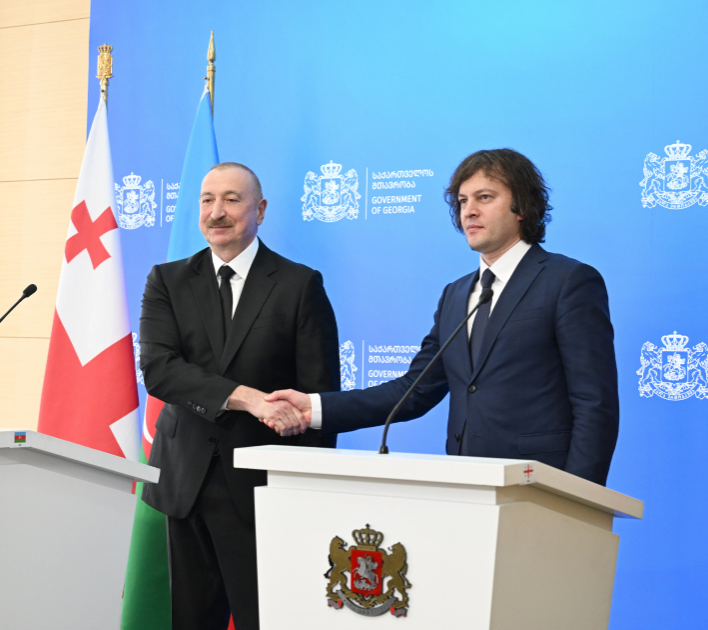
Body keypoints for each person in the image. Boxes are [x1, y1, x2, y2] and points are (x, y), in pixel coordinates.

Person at [265, 148, 618, 486]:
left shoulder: (567, 281)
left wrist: (579, 498)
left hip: (542, 485)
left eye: (484, 197)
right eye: (462, 201)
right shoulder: (456, 294)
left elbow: (594, 404)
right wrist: (314, 407)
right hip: (467, 484)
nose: (469, 211)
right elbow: (413, 391)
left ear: (522, 207)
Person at [139, 162, 339, 630]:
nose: (217, 212)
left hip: (264, 488)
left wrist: (309, 488)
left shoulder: (298, 284)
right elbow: (160, 371)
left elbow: (320, 397)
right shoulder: (167, 280)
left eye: (232, 199)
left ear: (260, 210)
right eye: (207, 200)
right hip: (185, 480)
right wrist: (247, 397)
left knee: (264, 619)